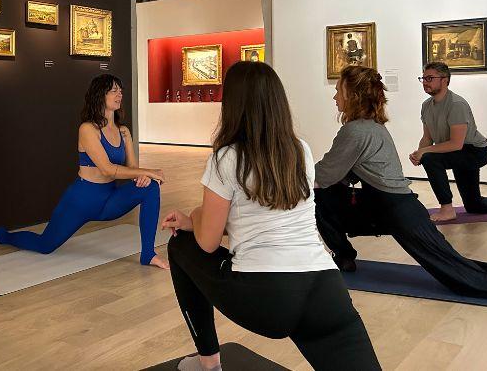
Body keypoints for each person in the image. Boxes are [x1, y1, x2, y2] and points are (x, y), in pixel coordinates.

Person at [161, 61, 380, 371]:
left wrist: (193, 217)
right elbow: (265, 221)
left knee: (181, 244)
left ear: (232, 104)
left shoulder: (227, 157)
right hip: (325, 289)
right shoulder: (300, 150)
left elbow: (207, 242)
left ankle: (209, 362)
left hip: (266, 296)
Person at [314, 65, 487, 304]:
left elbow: (322, 176)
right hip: (382, 206)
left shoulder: (355, 131)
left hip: (399, 212)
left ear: (352, 95)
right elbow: (338, 176)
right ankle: (343, 256)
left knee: (464, 278)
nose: (334, 97)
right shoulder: (371, 126)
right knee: (323, 198)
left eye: (338, 90)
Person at [0, 74, 169, 269]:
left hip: (109, 200)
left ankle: (148, 254)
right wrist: (150, 171)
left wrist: (143, 176)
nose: (119, 94)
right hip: (82, 200)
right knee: (45, 245)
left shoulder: (123, 131)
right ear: (100, 95)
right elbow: (107, 169)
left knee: (150, 187)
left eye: (120, 90)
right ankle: (3, 235)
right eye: (113, 90)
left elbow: (133, 169)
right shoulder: (87, 129)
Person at [410, 61, 487, 221]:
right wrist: (418, 152)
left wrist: (424, 153)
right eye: (423, 78)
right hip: (456, 152)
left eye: (430, 78)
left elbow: (456, 143)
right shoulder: (426, 106)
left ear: (445, 80)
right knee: (473, 205)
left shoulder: (456, 104)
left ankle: (447, 209)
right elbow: (427, 138)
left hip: (475, 151)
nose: (425, 83)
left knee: (430, 159)